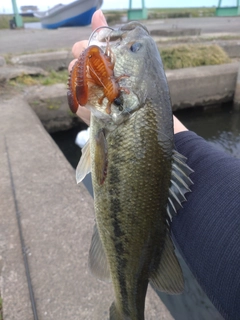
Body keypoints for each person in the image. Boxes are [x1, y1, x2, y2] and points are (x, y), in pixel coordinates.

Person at [69, 10, 240, 320]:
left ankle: (127, 310)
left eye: (134, 49)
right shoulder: (119, 109)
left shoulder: (117, 111)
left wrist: (102, 114)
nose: (127, 43)